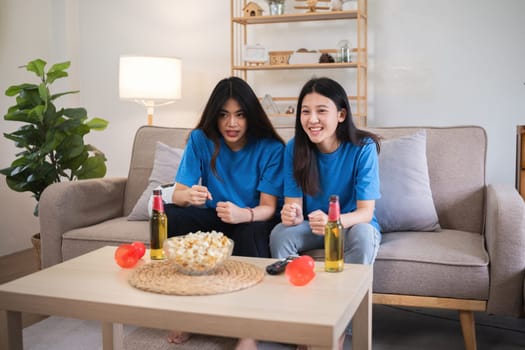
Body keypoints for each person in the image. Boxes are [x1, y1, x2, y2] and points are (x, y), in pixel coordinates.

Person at [164, 76, 285, 349]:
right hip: (214, 217)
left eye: (240, 115)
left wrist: (245, 214)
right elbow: (179, 192)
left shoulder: (271, 147)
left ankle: (248, 330)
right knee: (172, 215)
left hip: (252, 218)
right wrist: (189, 196)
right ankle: (184, 312)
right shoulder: (200, 139)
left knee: (251, 233)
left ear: (250, 116)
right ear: (214, 117)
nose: (232, 124)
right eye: (224, 115)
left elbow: (268, 208)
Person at [269, 77, 382, 350]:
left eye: (322, 110)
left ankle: (340, 327)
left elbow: (366, 213)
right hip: (314, 227)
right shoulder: (294, 148)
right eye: (306, 111)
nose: (312, 119)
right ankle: (302, 320)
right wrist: (291, 215)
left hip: (352, 225)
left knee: (365, 236)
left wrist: (335, 221)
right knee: (280, 233)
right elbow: (294, 207)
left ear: (341, 114)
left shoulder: (363, 148)